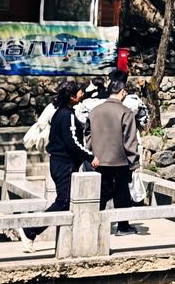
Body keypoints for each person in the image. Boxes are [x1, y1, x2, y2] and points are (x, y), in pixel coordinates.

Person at [87, 72, 142, 233]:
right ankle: (123, 226)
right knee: (121, 193)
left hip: (98, 160)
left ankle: (93, 225)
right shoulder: (126, 112)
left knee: (101, 194)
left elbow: (87, 135)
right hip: (120, 160)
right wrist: (134, 162)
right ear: (123, 92)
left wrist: (91, 154)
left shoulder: (95, 111)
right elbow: (130, 140)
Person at [46, 82, 90, 212]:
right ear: (72, 96)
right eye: (79, 91)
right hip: (64, 164)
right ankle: (33, 225)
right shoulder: (67, 115)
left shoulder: (60, 112)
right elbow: (71, 142)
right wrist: (90, 156)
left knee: (66, 202)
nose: (81, 93)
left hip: (58, 162)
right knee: (63, 202)